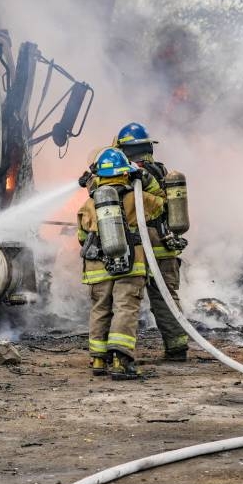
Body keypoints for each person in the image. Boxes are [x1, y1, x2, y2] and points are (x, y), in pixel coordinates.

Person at [77, 148, 164, 380]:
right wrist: (144, 179)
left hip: (96, 268)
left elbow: (82, 238)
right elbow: (162, 205)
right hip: (130, 265)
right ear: (125, 173)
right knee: (125, 308)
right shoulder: (137, 198)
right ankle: (121, 360)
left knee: (100, 310)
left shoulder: (89, 204)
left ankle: (98, 359)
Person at [114, 122, 191, 361]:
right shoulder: (161, 171)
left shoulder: (130, 175)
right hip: (164, 246)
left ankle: (119, 353)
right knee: (165, 297)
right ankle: (177, 347)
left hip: (138, 247)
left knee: (127, 299)